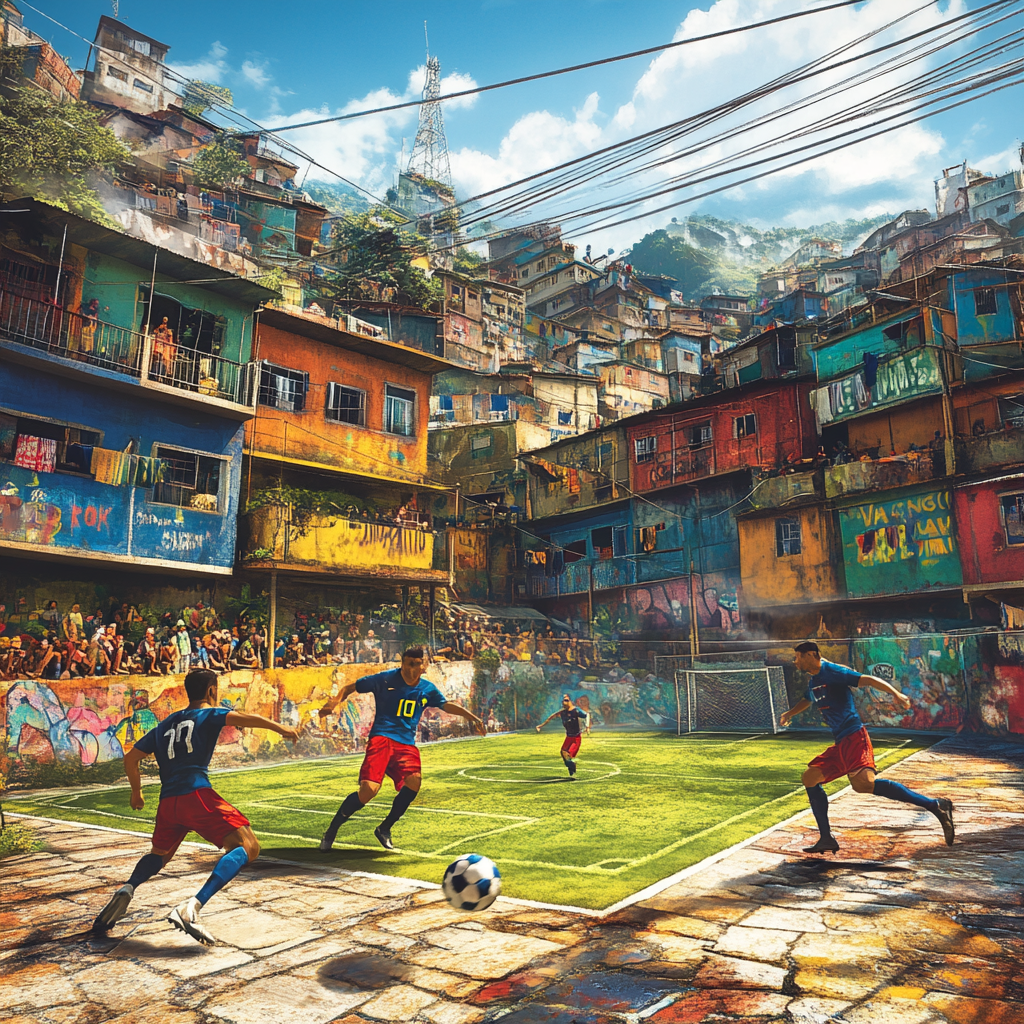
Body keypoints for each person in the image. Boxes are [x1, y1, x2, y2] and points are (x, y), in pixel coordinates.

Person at [92, 668, 299, 944]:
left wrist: (137, 794)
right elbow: (246, 717)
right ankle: (192, 908)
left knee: (160, 855)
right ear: (212, 691)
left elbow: (131, 759)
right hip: (196, 794)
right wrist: (281, 728)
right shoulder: (209, 714)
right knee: (248, 846)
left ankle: (128, 887)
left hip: (168, 802)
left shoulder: (165, 724)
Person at [779, 641, 955, 854]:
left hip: (854, 736)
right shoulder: (814, 680)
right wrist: (790, 713)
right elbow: (807, 700)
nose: (794, 661)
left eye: (797, 657)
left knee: (864, 784)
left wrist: (896, 695)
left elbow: (868, 679)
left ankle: (935, 805)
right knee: (810, 777)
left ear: (811, 655)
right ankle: (826, 838)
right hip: (841, 742)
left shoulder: (832, 671)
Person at [316, 646, 485, 851]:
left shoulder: (427, 688)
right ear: (402, 663)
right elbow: (349, 688)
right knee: (368, 791)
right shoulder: (385, 679)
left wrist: (472, 717)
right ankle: (332, 829)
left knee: (414, 782)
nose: (411, 668)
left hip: (405, 743)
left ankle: (384, 828)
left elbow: (445, 704)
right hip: (382, 738)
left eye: (416, 664)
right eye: (408, 663)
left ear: (423, 666)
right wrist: (333, 702)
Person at [536, 694, 591, 779]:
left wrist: (587, 727)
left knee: (568, 755)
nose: (564, 702)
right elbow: (551, 717)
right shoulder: (562, 712)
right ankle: (571, 767)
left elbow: (586, 715)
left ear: (570, 701)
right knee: (563, 753)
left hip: (576, 738)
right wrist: (541, 726)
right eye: (563, 700)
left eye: (566, 700)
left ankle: (573, 767)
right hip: (568, 737)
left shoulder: (576, 711)